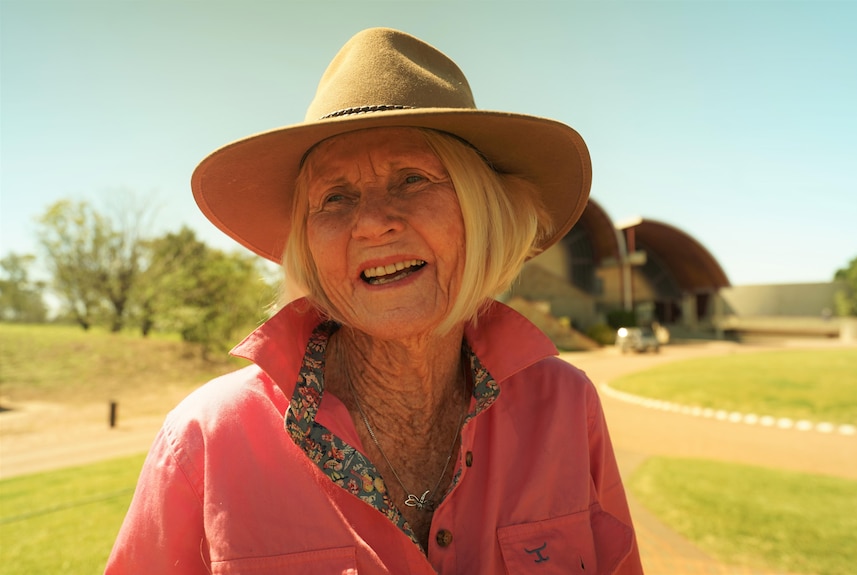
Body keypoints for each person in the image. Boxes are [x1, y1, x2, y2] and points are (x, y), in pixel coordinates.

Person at [106, 27, 643, 574]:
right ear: (308, 248)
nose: (371, 223)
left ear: (485, 216)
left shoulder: (565, 405)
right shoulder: (208, 438)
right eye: (335, 198)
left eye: (412, 179)